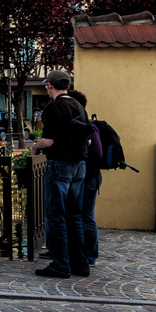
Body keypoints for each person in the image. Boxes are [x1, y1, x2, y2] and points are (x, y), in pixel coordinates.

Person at [32, 69, 91, 278]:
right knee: (74, 217)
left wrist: (35, 146)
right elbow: (88, 138)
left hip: (60, 165)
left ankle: (60, 265)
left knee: (55, 216)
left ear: (50, 85)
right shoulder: (78, 106)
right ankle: (80, 265)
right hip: (79, 166)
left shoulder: (53, 107)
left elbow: (48, 141)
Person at [70, 90, 101, 267]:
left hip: (90, 177)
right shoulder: (82, 124)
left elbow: (97, 152)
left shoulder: (90, 126)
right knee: (82, 216)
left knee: (86, 216)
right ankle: (84, 254)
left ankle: (90, 256)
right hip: (87, 176)